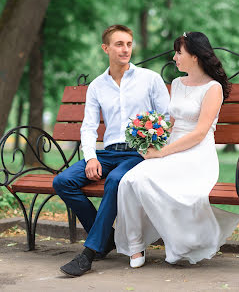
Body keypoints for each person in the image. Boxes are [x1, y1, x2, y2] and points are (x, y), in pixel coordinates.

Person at [115, 31, 239, 268]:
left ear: (194, 56)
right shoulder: (176, 83)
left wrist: (163, 153)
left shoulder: (213, 88)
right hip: (172, 148)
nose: (174, 58)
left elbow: (199, 132)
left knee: (144, 180)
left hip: (197, 155)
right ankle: (135, 247)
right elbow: (172, 123)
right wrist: (153, 142)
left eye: (179, 53)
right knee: (129, 180)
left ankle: (181, 241)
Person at [53, 24, 170, 277]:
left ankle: (89, 254)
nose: (125, 49)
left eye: (129, 43)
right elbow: (88, 127)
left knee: (116, 181)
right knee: (63, 181)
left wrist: (152, 144)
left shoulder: (150, 79)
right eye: (119, 44)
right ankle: (106, 239)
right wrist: (91, 157)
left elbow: (167, 119)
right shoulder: (96, 86)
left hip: (139, 154)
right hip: (107, 153)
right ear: (106, 48)